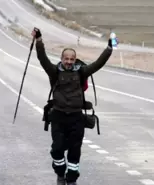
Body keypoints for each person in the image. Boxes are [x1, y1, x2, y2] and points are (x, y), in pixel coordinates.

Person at [31, 27, 113, 185]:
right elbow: (42, 58)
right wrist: (39, 40)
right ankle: (60, 174)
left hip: (76, 119)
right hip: (58, 117)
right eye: (66, 59)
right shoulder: (54, 72)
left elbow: (98, 64)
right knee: (57, 150)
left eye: (72, 59)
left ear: (75, 60)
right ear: (61, 59)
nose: (69, 62)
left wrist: (109, 48)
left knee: (75, 153)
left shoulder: (82, 72)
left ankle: (71, 180)